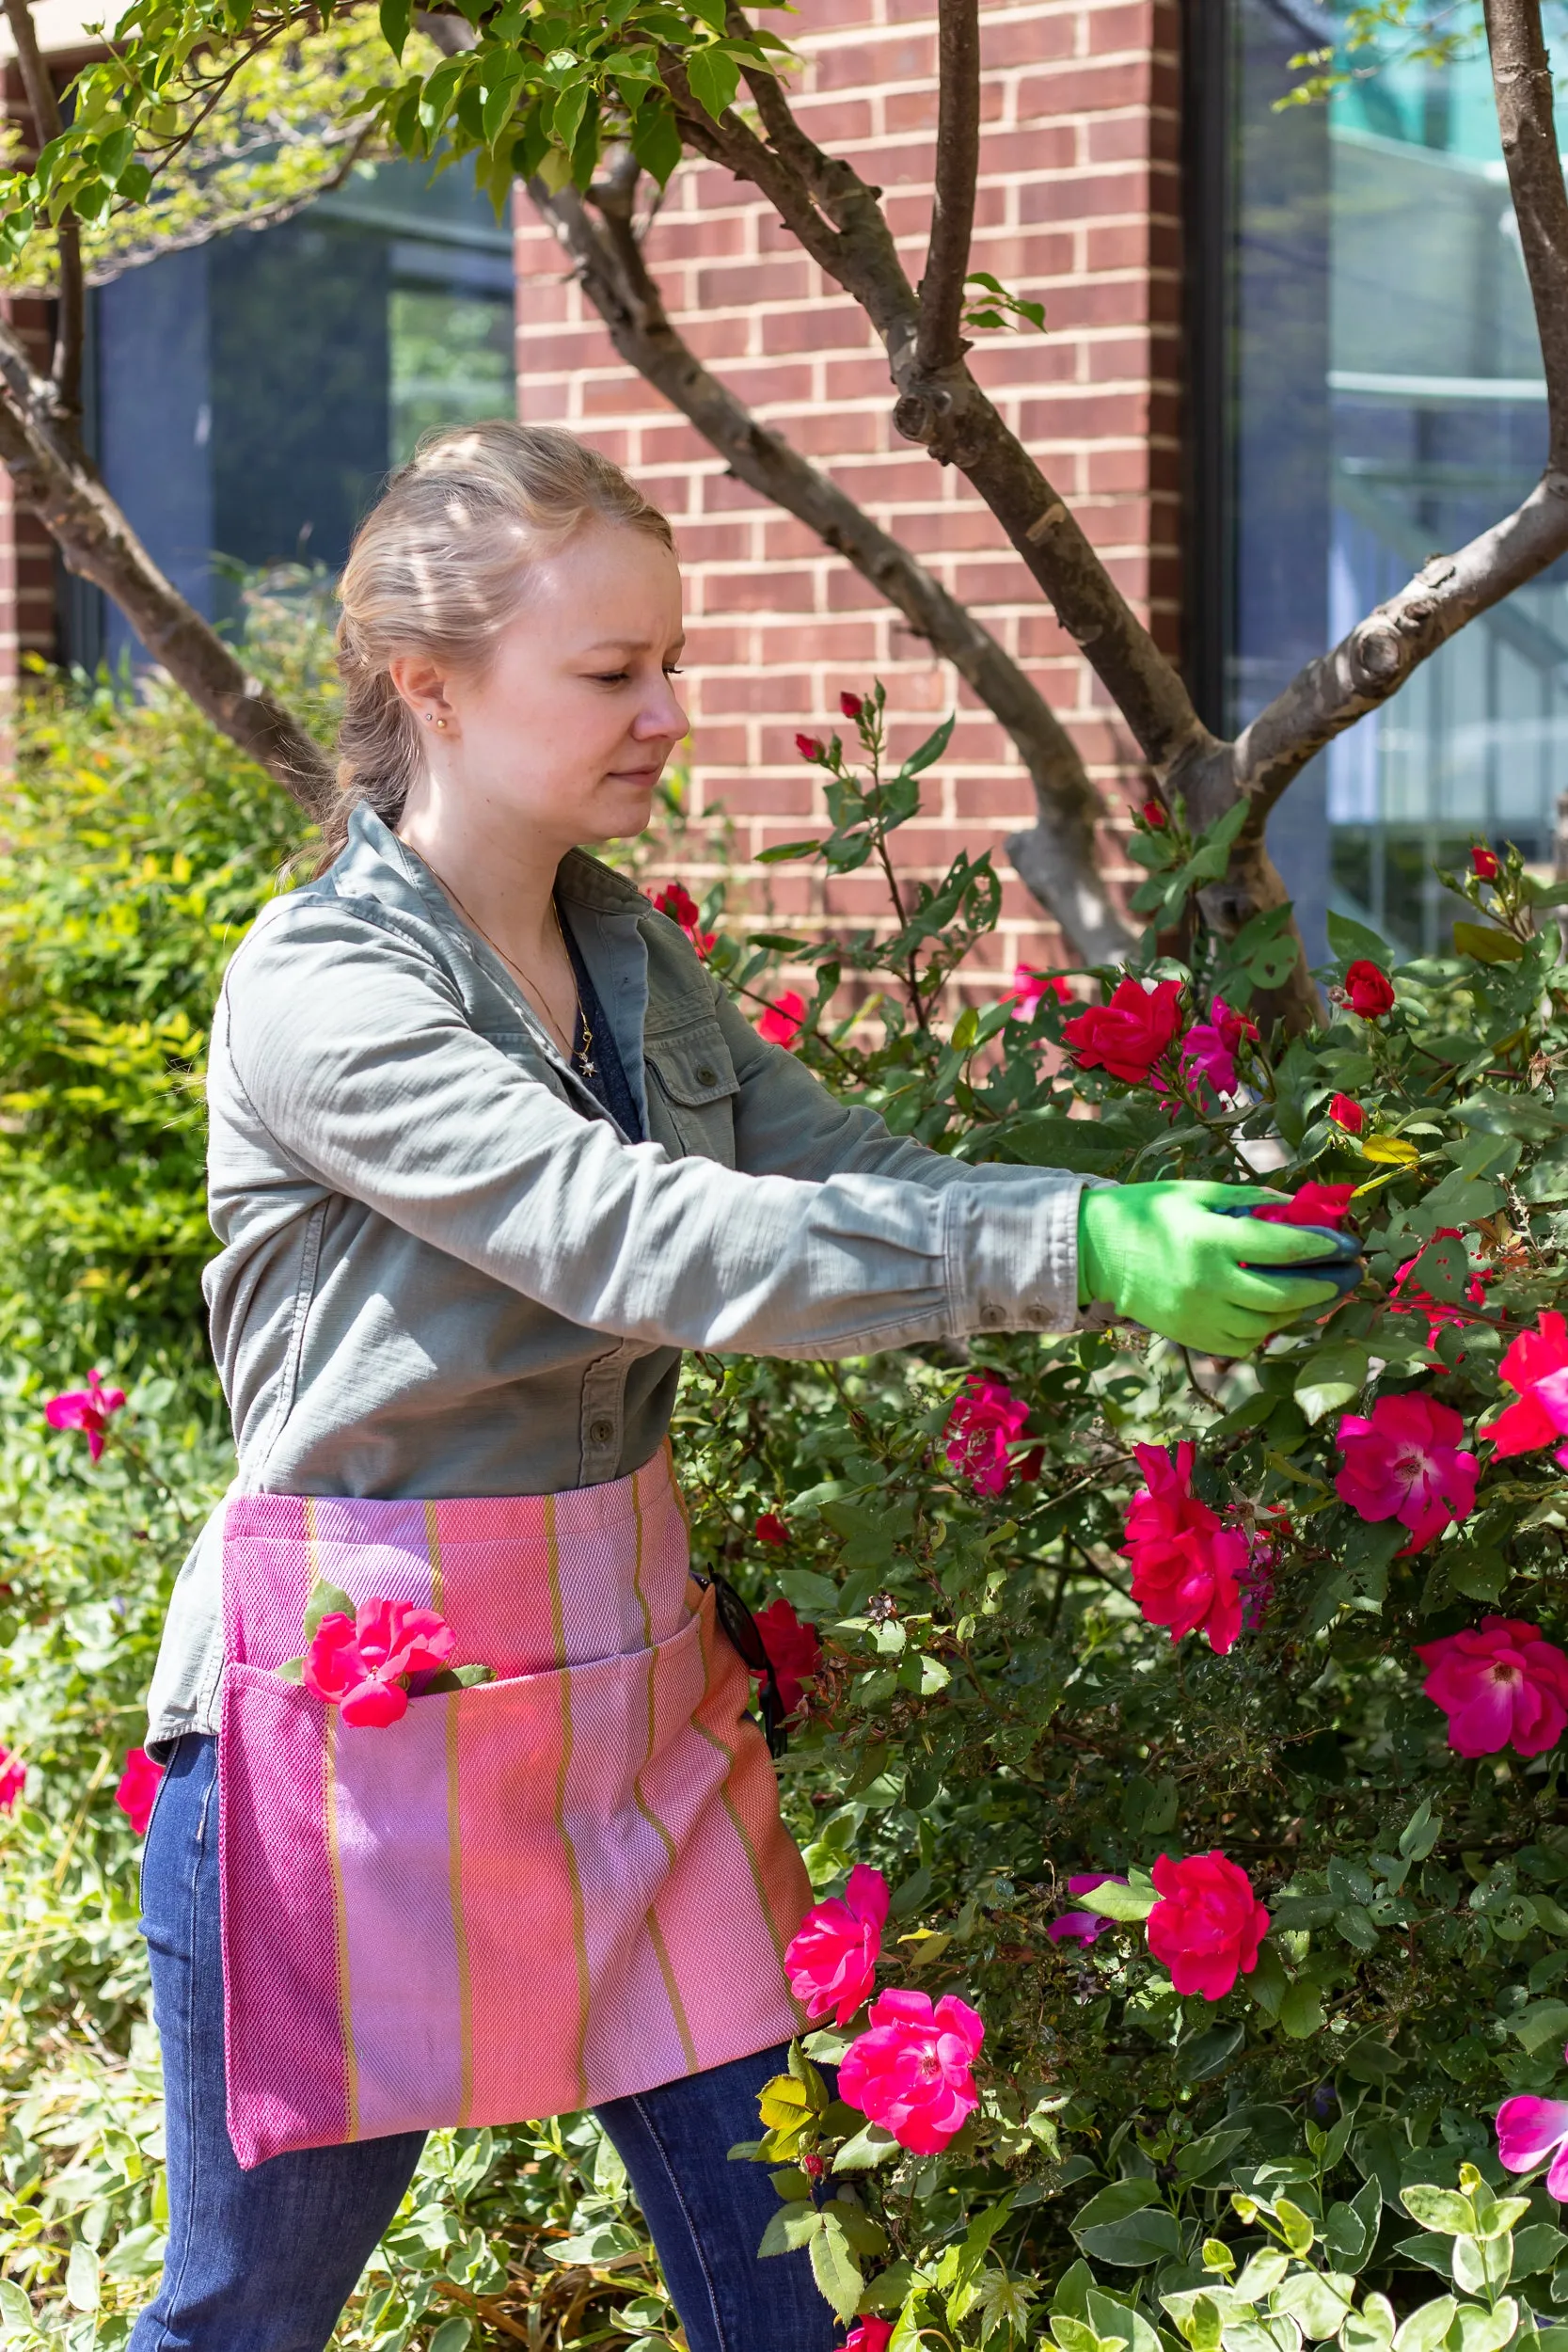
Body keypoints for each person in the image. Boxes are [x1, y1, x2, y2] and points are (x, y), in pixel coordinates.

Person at [130, 421, 1347, 2352]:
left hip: (629, 1719)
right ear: (428, 686)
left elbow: (846, 1174)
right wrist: (1076, 1253)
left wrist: (1118, 1219)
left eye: (670, 661)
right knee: (247, 2318)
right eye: (613, 671)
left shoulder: (624, 952)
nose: (671, 712)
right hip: (355, 1744)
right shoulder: (321, 989)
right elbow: (652, 1243)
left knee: (783, 2293)